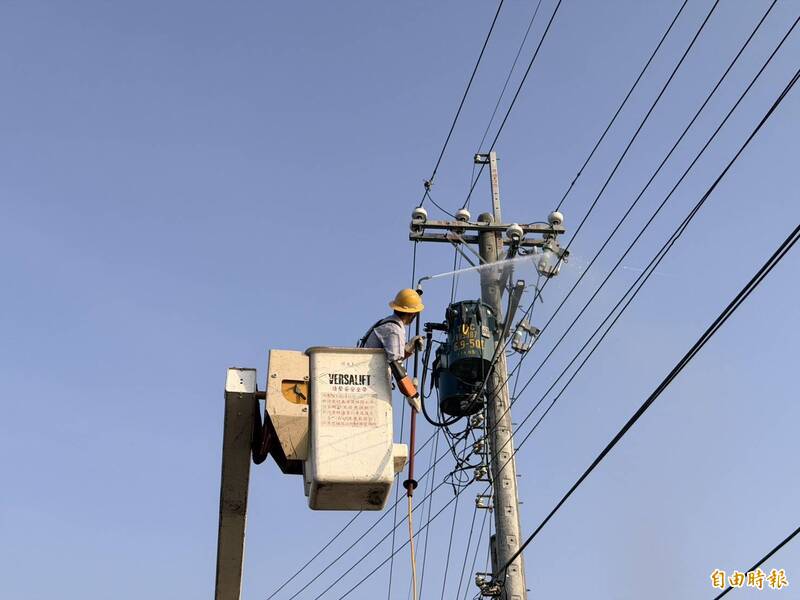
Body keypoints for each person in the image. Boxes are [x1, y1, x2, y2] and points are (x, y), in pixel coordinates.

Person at [359, 288, 425, 411]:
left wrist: (409, 348)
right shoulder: (394, 330)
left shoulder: (387, 323)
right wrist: (412, 394)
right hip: (369, 382)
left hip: (368, 377)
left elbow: (392, 357)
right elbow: (396, 365)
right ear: (412, 314)